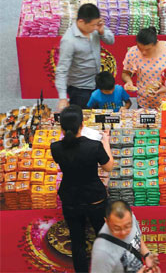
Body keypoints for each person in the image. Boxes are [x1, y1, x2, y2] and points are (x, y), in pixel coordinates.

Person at [50, 105, 113, 272]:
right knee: (104, 238)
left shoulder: (55, 148)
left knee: (77, 242)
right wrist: (105, 141)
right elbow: (108, 167)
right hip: (95, 198)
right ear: (82, 125)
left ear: (61, 127)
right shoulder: (93, 146)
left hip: (71, 199)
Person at [55, 3, 115, 111]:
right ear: (81, 22)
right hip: (79, 89)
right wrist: (63, 98)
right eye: (93, 25)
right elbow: (62, 70)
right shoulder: (69, 41)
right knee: (83, 120)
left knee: (99, 118)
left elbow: (111, 41)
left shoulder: (95, 27)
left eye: (97, 24)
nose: (95, 27)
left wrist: (102, 32)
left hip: (96, 82)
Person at [122, 27, 166, 109]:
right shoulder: (133, 52)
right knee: (146, 121)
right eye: (140, 48)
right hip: (144, 102)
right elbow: (125, 73)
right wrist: (128, 81)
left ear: (156, 43)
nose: (143, 52)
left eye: (147, 49)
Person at [91, 200, 160, 273]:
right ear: (106, 222)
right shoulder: (101, 252)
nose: (123, 232)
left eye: (127, 226)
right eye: (117, 228)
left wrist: (147, 255)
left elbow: (137, 238)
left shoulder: (130, 218)